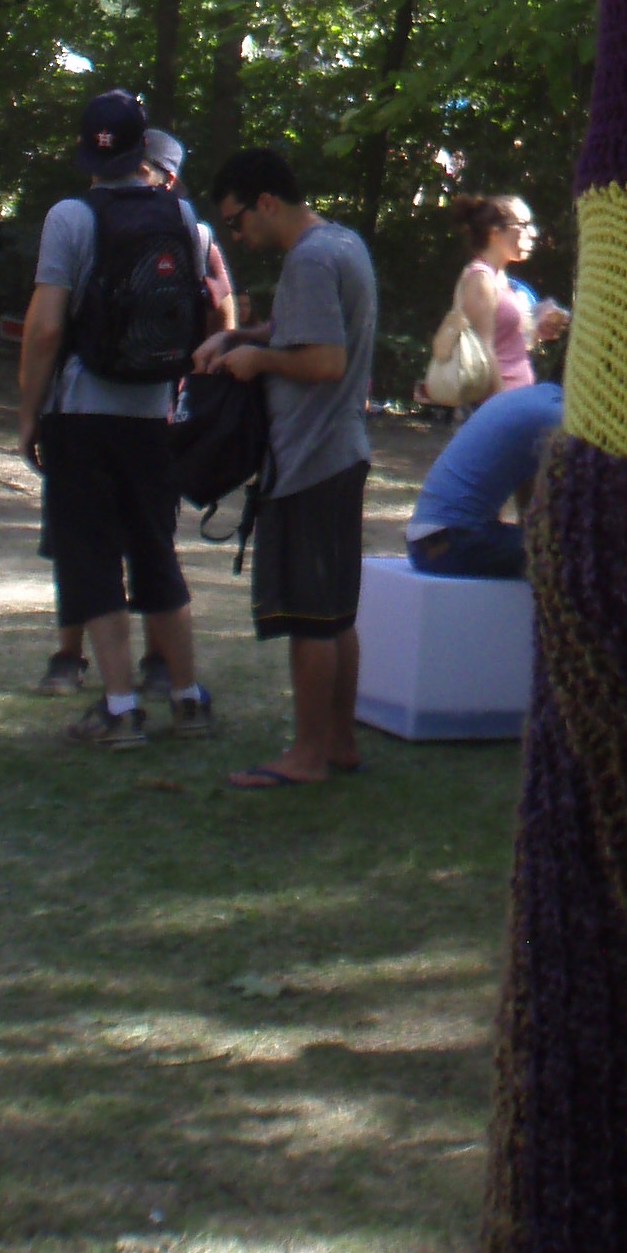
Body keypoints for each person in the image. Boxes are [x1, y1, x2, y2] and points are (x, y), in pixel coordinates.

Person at [18, 90, 218, 749]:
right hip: (153, 411)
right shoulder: (182, 215)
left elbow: (46, 328)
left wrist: (29, 413)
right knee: (156, 550)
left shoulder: (71, 217)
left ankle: (121, 708)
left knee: (92, 556)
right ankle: (187, 699)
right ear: (143, 151)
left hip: (81, 412)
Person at [199, 147, 376, 790]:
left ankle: (305, 757)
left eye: (237, 221)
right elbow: (297, 329)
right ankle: (340, 743)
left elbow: (324, 361)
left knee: (309, 617)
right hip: (341, 453)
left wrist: (259, 362)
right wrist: (239, 336)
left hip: (310, 459)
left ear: (267, 202)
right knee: (336, 614)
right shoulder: (343, 243)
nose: (237, 236)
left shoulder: (309, 258)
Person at [407, 381, 564, 578]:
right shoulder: (557, 416)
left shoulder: (529, 400)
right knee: (577, 556)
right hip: (455, 541)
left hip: (422, 543)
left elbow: (527, 499)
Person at [450, 195, 568, 396]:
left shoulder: (505, 282)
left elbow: (505, 344)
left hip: (514, 400)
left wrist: (538, 328)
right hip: (492, 405)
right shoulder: (479, 278)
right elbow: (483, 352)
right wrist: (502, 404)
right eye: (523, 225)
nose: (533, 233)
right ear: (494, 232)